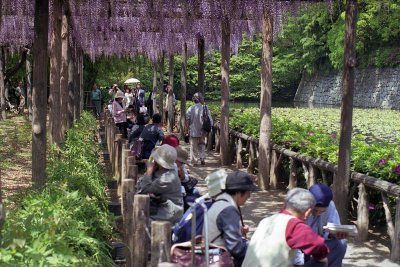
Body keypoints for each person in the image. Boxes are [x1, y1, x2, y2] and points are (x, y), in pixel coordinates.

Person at [242, 188, 329, 267]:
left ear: (284, 204)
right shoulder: (295, 225)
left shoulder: (266, 220)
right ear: (307, 212)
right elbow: (319, 245)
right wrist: (321, 257)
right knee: (320, 262)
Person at [205, 170, 258, 267]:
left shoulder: (221, 203)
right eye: (248, 193)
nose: (249, 196)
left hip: (212, 255)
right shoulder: (228, 210)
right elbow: (236, 248)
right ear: (238, 193)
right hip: (219, 259)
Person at [294, 183, 347, 267]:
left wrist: (334, 234)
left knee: (341, 243)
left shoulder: (331, 206)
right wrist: (300, 262)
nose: (318, 214)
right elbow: (294, 239)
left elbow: (332, 230)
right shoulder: (299, 209)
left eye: (322, 211)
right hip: (302, 245)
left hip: (319, 243)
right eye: (315, 210)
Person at [136, 144, 184, 224]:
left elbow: (143, 189)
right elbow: (139, 186)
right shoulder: (160, 171)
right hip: (162, 205)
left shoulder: (167, 178)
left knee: (141, 220)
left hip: (170, 211)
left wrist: (149, 172)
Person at [185, 92, 213, 166]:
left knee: (193, 146)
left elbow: (187, 120)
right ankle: (202, 158)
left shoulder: (190, 108)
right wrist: (209, 129)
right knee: (202, 145)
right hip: (203, 130)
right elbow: (210, 120)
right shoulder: (205, 107)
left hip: (194, 130)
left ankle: (194, 161)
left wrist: (186, 130)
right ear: (201, 99)